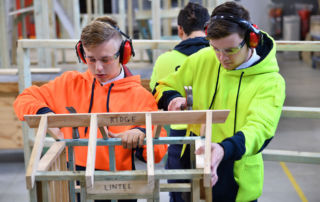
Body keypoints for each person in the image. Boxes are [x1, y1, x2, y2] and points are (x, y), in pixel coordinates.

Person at [14, 16, 167, 202]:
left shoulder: (140, 96)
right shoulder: (69, 83)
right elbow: (25, 98)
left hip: (119, 185)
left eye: (105, 59)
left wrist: (140, 134)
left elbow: (158, 152)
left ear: (124, 54)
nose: (98, 68)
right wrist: (45, 114)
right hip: (74, 181)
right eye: (91, 59)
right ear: (81, 53)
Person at [153, 2, 286, 201]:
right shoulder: (205, 58)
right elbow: (162, 85)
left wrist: (223, 149)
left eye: (230, 50)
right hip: (194, 166)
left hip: (236, 174)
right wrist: (172, 98)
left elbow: (260, 128)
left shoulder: (270, 82)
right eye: (216, 49)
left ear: (251, 40)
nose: (222, 58)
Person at [149, 2, 209, 202]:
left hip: (179, 138)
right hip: (214, 134)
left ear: (180, 30)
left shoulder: (165, 60)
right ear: (208, 27)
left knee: (179, 192)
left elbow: (155, 95)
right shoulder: (219, 58)